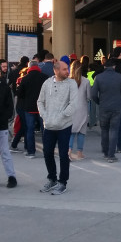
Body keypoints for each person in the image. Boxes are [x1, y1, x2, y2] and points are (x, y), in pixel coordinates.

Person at [36, 60, 78, 195]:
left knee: (63, 154)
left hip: (64, 125)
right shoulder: (47, 83)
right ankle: (52, 178)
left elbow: (73, 104)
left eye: (68, 69)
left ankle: (62, 182)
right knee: (47, 153)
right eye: (65, 69)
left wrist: (62, 116)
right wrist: (44, 115)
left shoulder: (71, 84)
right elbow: (40, 101)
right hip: (48, 125)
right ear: (56, 70)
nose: (68, 72)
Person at [91, 57, 121, 161]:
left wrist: (100, 102)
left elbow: (93, 94)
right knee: (114, 130)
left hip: (103, 107)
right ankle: (111, 155)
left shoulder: (98, 77)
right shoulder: (120, 77)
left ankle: (105, 152)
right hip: (116, 107)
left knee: (104, 130)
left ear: (104, 66)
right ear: (114, 67)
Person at [15, 59, 48, 158]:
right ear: (38, 66)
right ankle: (47, 151)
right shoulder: (45, 77)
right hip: (42, 107)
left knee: (30, 130)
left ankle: (31, 152)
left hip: (29, 107)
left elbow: (19, 94)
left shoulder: (25, 78)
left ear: (29, 67)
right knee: (45, 130)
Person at [69, 59, 92, 160]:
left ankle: (68, 151)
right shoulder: (86, 81)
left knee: (71, 132)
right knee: (82, 132)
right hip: (82, 108)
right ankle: (79, 152)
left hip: (70, 109)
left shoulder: (67, 81)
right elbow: (89, 96)